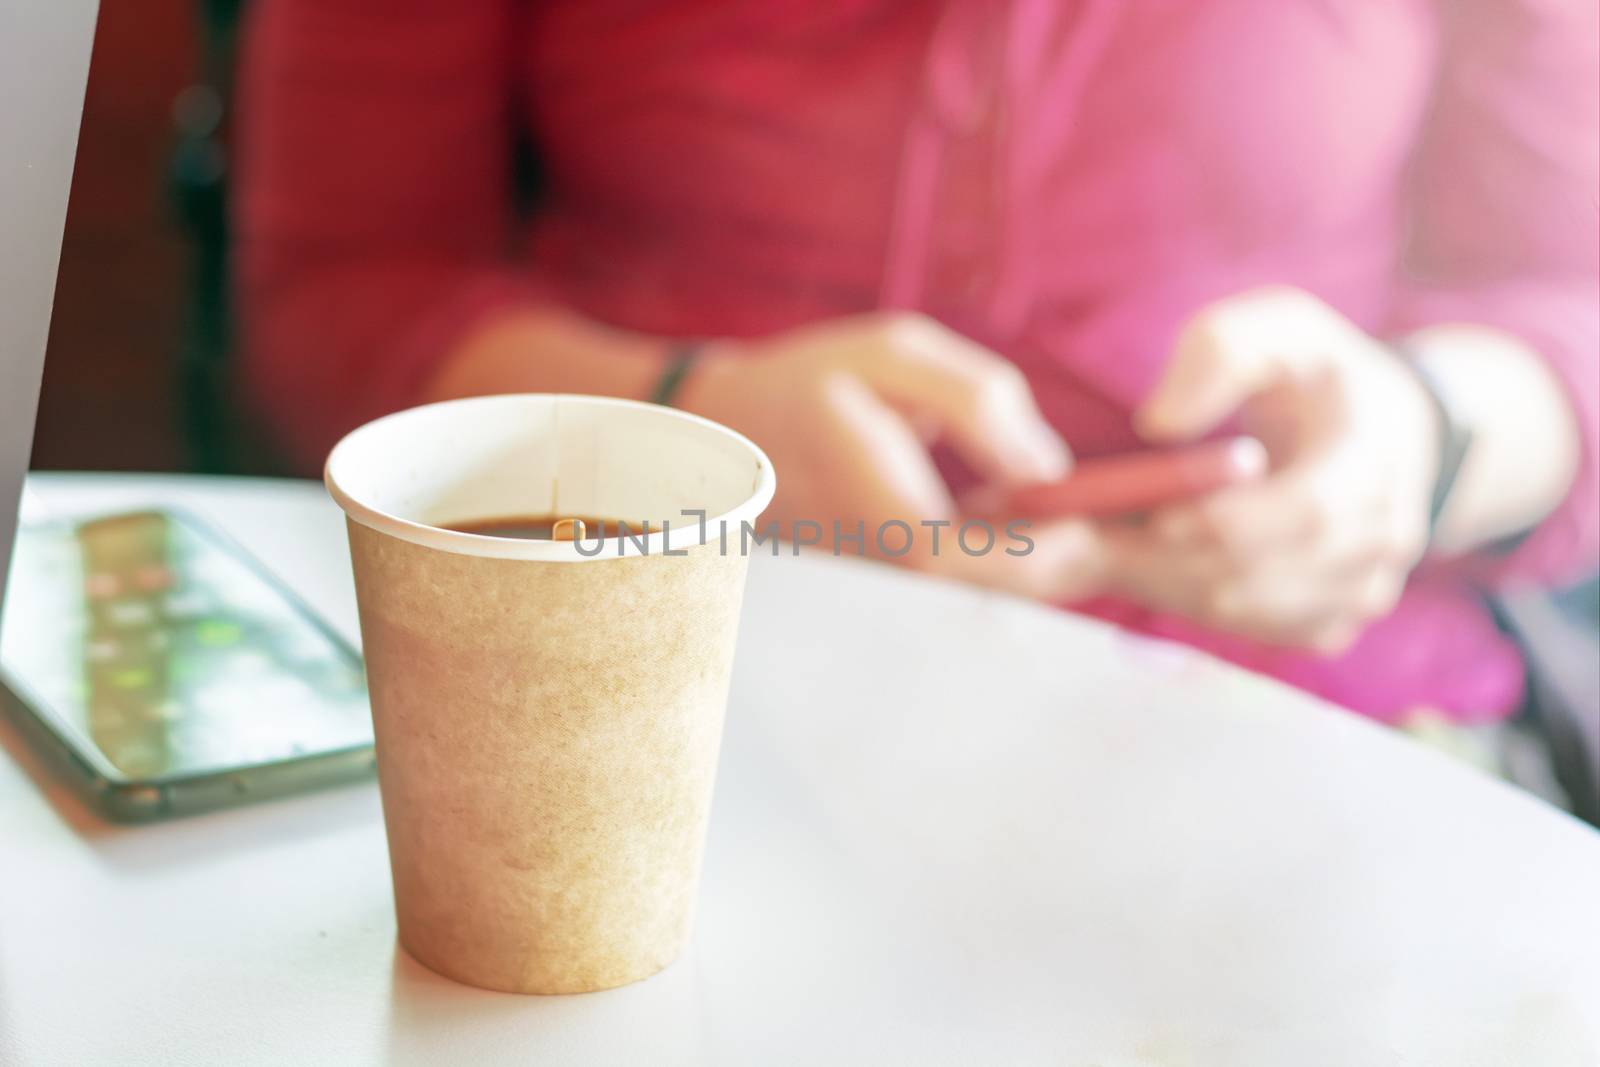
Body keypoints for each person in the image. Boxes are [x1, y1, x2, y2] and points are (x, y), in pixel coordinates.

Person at [235, 1, 1597, 730]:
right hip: (665, 697)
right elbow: (337, 296)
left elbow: (1569, 307)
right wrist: (683, 424)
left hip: (1313, 719)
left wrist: (1423, 439)